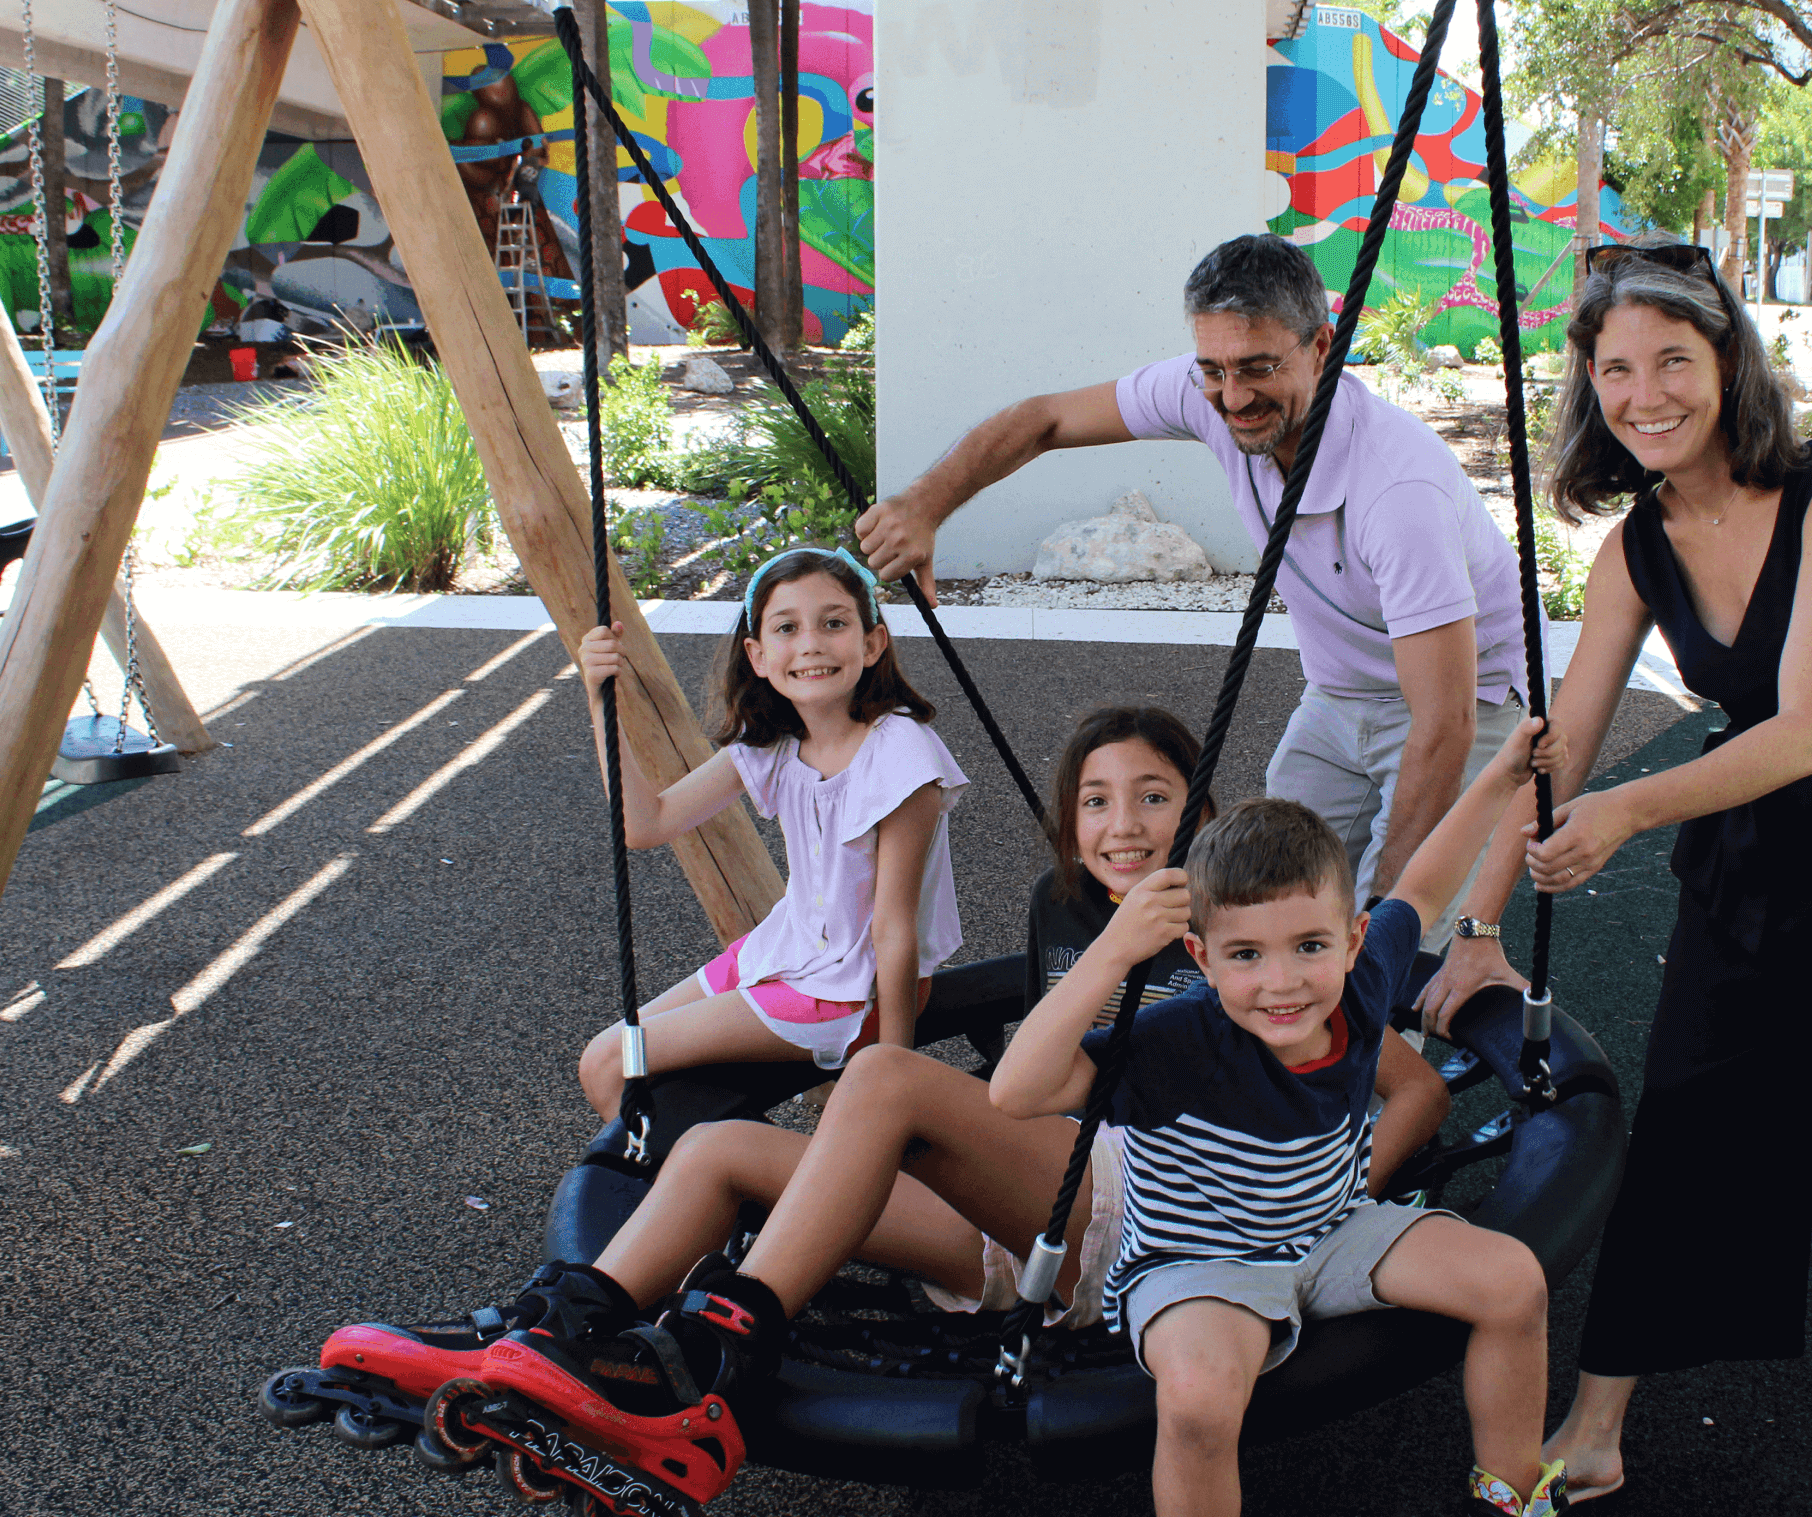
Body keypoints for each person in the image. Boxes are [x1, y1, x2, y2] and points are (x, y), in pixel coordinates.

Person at [309, 708, 1452, 1504]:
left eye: (1153, 796)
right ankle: (548, 1334)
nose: (1122, 823)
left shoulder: (1252, 953)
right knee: (716, 1150)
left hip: (1138, 1240)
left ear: (1198, 815)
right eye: (1096, 800)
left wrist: (1327, 1197)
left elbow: (1406, 1083)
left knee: (887, 1081)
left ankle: (713, 1371)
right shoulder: (1075, 927)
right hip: (1015, 1235)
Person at [1433, 237, 1812, 1497]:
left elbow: (1804, 730)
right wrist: (1475, 915)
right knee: (1694, 1119)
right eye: (1613, 369)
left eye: (1670, 361)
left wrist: (1629, 813)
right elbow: (1565, 740)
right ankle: (1597, 1418)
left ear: (1727, 360)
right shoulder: (1633, 547)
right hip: (1757, 865)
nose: (1643, 394)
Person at [854, 234, 1528, 937]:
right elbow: (1045, 419)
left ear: (1322, 346)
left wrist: (1384, 925)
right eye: (1214, 369)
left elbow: (1443, 725)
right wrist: (925, 503)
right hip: (1341, 694)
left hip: (1461, 701)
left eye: (1258, 368)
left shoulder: (1397, 492)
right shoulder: (1208, 389)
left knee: (1401, 936)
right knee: (1267, 908)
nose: (1233, 397)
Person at [992, 738, 1565, 1517]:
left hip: (1331, 1228)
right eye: (1246, 955)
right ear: (1201, 955)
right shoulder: (1178, 1040)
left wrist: (1501, 774)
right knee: (1197, 1401)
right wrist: (1114, 951)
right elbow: (1014, 1093)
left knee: (1513, 1283)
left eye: (1309, 946)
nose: (1282, 982)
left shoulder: (1362, 983)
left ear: (1354, 939)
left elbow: (1428, 881)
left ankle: (1515, 1493)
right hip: (1196, 1262)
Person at [572, 546, 966, 1114]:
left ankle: (704, 1186)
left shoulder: (902, 755)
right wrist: (598, 698)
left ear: (872, 642)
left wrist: (893, 1069)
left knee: (614, 1061)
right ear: (757, 655)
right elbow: (646, 824)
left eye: (834, 623)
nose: (810, 643)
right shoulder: (777, 744)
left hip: (851, 992)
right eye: (787, 628)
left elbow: (894, 931)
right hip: (782, 953)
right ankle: (700, 1184)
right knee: (609, 1064)